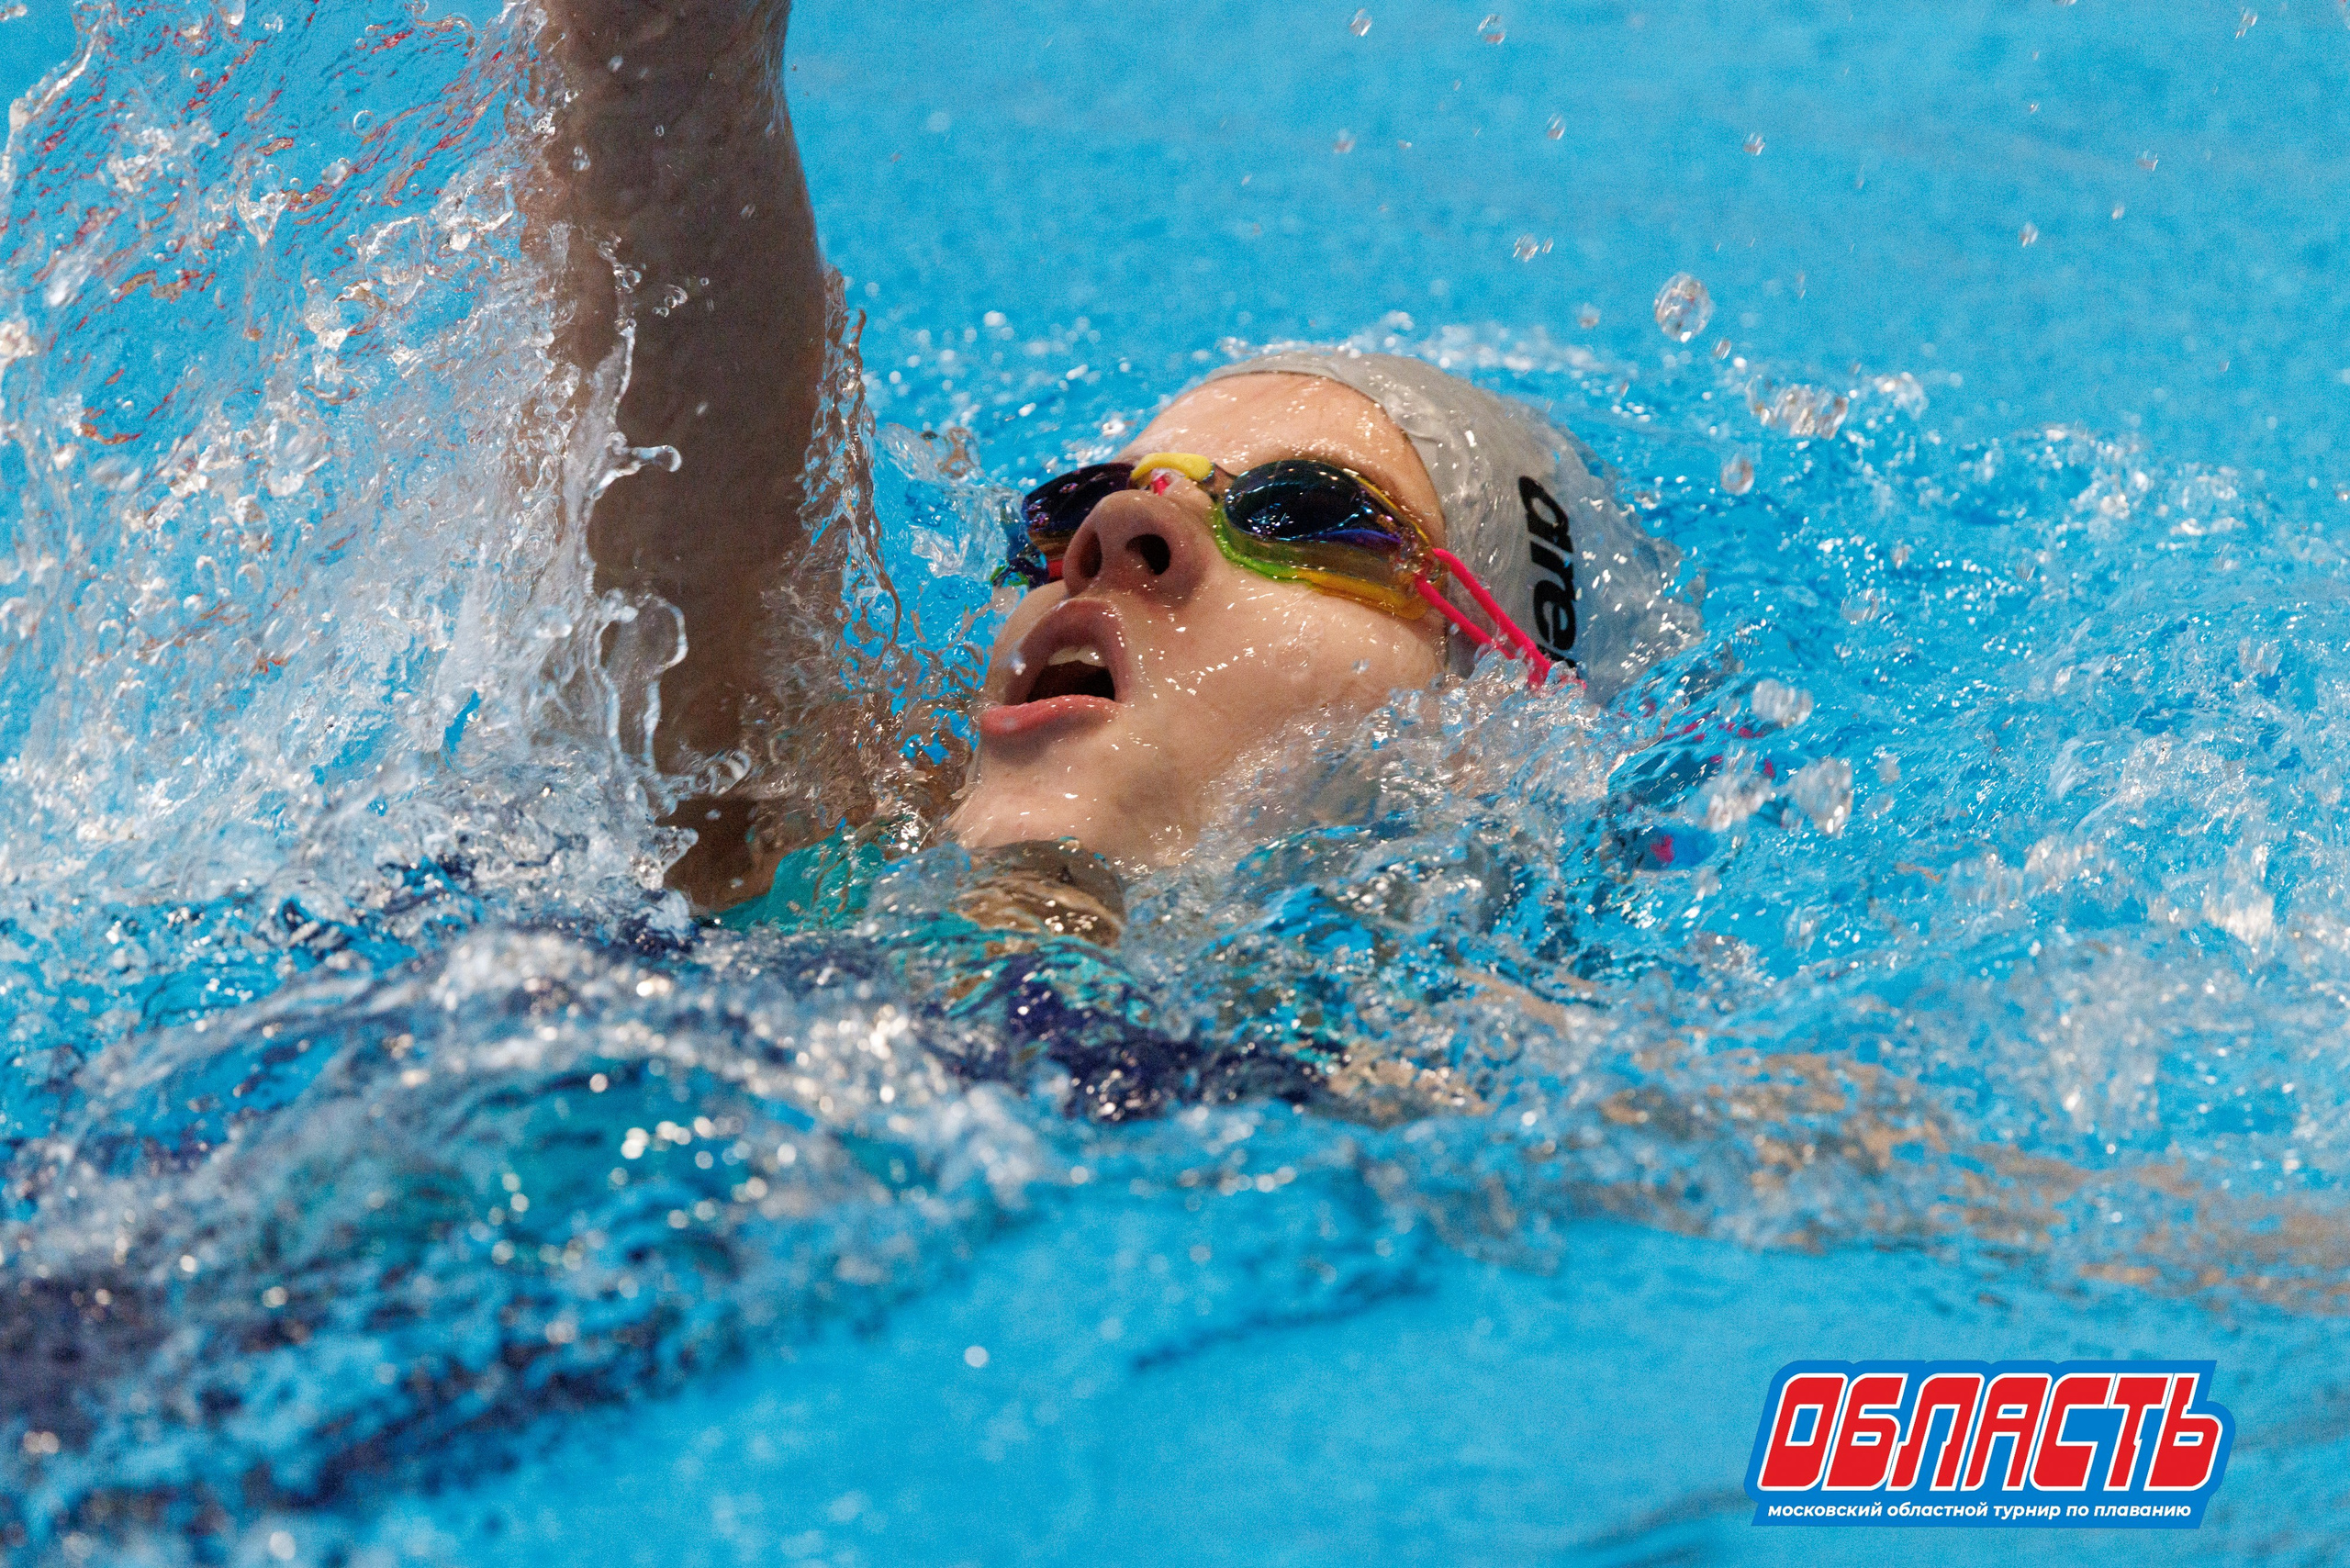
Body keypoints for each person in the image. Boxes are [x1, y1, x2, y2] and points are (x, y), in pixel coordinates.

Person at [536, 0, 1694, 921]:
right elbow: (656, 85)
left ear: (1504, 740)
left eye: (1301, 514)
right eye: (1071, 509)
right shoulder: (733, 896)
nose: (1111, 541)